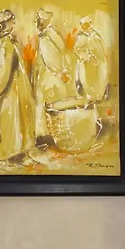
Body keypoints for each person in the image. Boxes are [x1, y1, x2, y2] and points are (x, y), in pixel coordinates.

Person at [0, 9, 35, 170]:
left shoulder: (3, 41)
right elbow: (3, 72)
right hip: (7, 91)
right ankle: (4, 158)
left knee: (15, 121)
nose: (14, 23)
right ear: (7, 23)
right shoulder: (6, 44)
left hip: (14, 88)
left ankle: (16, 154)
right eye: (12, 21)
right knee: (8, 122)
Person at [32, 8, 73, 146]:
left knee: (45, 104)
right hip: (54, 76)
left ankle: (44, 136)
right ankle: (52, 135)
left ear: (42, 22)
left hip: (48, 77)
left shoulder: (45, 38)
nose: (36, 22)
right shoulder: (52, 35)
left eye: (38, 20)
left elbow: (51, 59)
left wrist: (59, 72)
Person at [74, 15, 108, 102]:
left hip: (97, 62)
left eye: (87, 24)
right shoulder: (81, 36)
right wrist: (86, 55)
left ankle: (98, 97)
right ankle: (90, 98)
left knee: (99, 79)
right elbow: (77, 49)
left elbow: (101, 49)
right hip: (86, 63)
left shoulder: (95, 35)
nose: (86, 26)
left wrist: (99, 57)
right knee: (86, 80)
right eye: (84, 24)